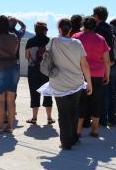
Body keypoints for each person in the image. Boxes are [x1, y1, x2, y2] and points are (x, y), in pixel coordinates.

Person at [38, 18, 93, 150]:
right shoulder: (77, 43)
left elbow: (46, 55)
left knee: (63, 114)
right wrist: (89, 83)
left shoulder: (53, 41)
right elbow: (84, 64)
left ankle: (65, 142)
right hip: (76, 83)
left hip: (58, 83)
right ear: (71, 29)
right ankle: (73, 138)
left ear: (59, 29)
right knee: (74, 111)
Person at [73, 16, 111, 138]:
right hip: (98, 74)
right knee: (96, 101)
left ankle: (78, 130)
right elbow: (106, 60)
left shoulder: (76, 37)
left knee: (81, 101)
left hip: (80, 73)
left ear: (83, 25)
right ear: (95, 26)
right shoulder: (101, 39)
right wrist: (107, 75)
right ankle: (95, 129)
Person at [25, 22, 54, 125]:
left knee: (34, 93)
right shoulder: (49, 41)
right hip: (46, 71)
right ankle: (49, 118)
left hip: (33, 70)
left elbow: (26, 56)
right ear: (44, 30)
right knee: (48, 93)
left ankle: (34, 118)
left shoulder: (30, 41)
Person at [93, 6, 116, 127]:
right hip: (112, 61)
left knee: (102, 93)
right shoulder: (110, 28)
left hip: (103, 63)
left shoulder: (98, 29)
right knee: (111, 92)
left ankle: (102, 120)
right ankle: (112, 119)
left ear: (96, 16)